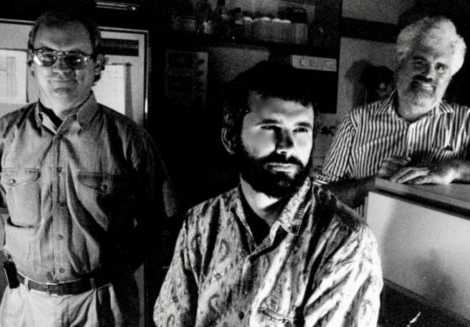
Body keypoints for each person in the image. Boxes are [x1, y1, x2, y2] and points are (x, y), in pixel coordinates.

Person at [153, 61, 383, 327]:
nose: (287, 146)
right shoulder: (201, 223)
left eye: (300, 130)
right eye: (270, 128)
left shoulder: (344, 241)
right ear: (230, 139)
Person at [0, 10, 178, 327]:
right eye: (47, 56)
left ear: (97, 64)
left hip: (104, 305)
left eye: (75, 58)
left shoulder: (130, 140)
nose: (60, 68)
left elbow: (160, 222)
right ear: (31, 62)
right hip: (25, 305)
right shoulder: (2, 137)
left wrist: (115, 272)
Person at [319, 16, 470, 208]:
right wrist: (372, 183)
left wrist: (455, 168)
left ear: (449, 77)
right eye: (419, 61)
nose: (428, 74)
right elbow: (320, 197)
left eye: (441, 67)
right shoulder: (357, 121)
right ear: (400, 62)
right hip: (363, 251)